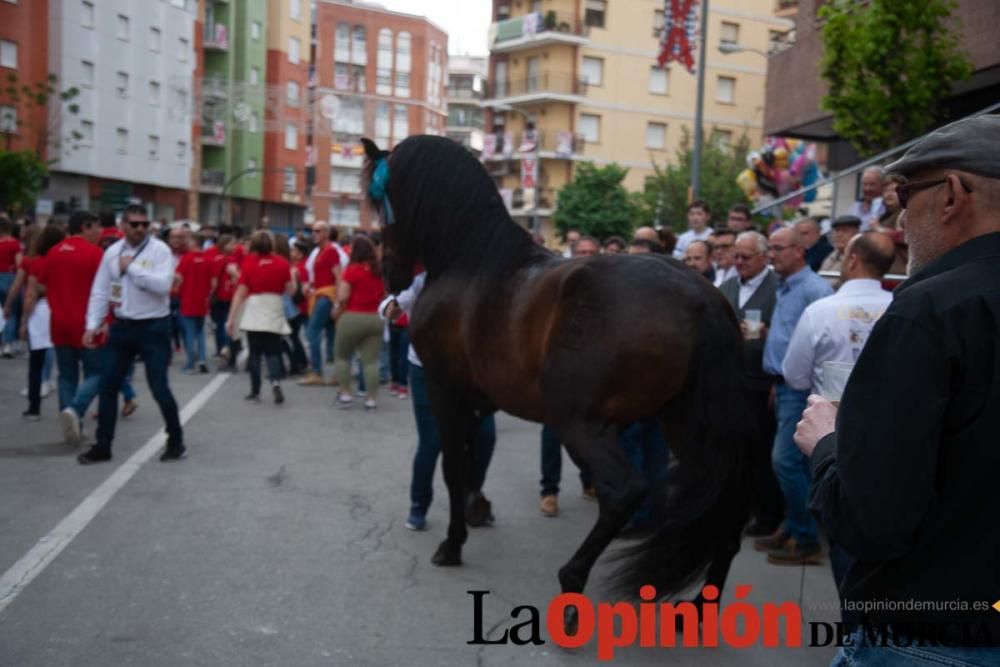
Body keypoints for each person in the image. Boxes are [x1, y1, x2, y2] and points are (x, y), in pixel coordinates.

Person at [796, 114, 1000, 661]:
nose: (900, 218)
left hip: (931, 637)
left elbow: (871, 522)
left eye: (906, 195)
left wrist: (827, 445)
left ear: (953, 194)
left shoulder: (930, 310)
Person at [380, 272, 498, 530]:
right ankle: (418, 506)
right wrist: (392, 307)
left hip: (470, 372)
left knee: (485, 437)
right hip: (428, 370)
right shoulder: (424, 278)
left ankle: (471, 496)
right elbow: (391, 306)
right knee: (433, 441)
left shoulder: (480, 276)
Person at [79, 205, 184, 465]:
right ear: (123, 225)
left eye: (144, 224)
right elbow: (101, 290)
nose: (139, 229)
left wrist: (133, 269)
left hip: (154, 327)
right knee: (108, 385)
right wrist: (92, 324)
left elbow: (163, 286)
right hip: (123, 325)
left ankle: (176, 440)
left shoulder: (160, 250)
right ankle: (103, 446)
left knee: (159, 387)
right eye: (134, 224)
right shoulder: (112, 252)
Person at [755, 226, 832, 565]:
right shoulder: (788, 286)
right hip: (785, 385)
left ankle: (805, 539)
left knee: (785, 462)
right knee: (794, 465)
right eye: (769, 248)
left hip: (803, 390)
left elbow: (823, 344)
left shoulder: (815, 289)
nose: (771, 254)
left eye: (777, 248)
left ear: (799, 252)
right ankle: (792, 526)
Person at [719, 231, 783, 536]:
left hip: (762, 380)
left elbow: (788, 335)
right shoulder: (728, 285)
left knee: (762, 451)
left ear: (763, 257)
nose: (739, 262)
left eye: (746, 257)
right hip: (732, 378)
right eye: (736, 256)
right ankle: (739, 508)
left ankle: (768, 514)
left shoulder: (777, 287)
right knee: (734, 449)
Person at [45, 211, 105, 444]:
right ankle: (76, 411)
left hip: (59, 321)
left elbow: (43, 285)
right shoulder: (95, 254)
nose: (100, 232)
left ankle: (71, 423)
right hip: (86, 323)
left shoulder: (53, 252)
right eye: (96, 227)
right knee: (97, 373)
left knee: (66, 376)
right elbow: (103, 290)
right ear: (84, 227)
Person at [227, 231, 292, 404]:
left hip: (255, 306)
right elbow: (290, 289)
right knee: (273, 352)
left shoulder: (249, 263)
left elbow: (240, 294)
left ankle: (255, 390)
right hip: (274, 305)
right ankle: (276, 382)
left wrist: (231, 318)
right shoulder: (282, 263)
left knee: (255, 353)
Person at [332, 236, 385, 410]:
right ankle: (371, 399)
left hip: (353, 317)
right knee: (370, 361)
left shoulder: (352, 270)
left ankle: (345, 395)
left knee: (341, 356)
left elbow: (343, 297)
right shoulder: (380, 271)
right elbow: (385, 295)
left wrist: (337, 309)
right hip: (375, 318)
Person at [18, 224, 65, 419]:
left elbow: (31, 293)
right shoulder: (62, 261)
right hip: (61, 308)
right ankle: (68, 408)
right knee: (66, 364)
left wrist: (23, 321)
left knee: (36, 362)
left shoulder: (37, 262)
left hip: (40, 311)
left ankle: (34, 406)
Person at [299, 221, 341, 386]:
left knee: (312, 331)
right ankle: (338, 373)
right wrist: (310, 285)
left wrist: (337, 302)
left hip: (326, 296)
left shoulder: (331, 251)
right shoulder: (320, 251)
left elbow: (338, 276)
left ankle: (317, 372)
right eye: (312, 231)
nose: (313, 234)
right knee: (332, 335)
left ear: (325, 233)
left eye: (317, 231)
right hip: (321, 294)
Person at [175, 236, 215, 374]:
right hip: (202, 300)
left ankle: (191, 363)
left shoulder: (186, 259)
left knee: (189, 333)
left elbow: (178, 278)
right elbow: (214, 282)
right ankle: (202, 360)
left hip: (188, 299)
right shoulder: (209, 260)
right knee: (200, 332)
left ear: (194, 243)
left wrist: (176, 289)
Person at [0, 215, 22, 357]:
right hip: (9, 277)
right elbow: (19, 264)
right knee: (10, 312)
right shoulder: (15, 244)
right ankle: (8, 344)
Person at [818, 215, 862, 281]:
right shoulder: (831, 256)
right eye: (837, 230)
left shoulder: (858, 259)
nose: (839, 235)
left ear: (856, 234)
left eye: (844, 230)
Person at [847, 166, 886, 231]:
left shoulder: (887, 207)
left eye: (872, 184)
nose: (867, 188)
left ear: (883, 184)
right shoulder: (855, 207)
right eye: (865, 184)